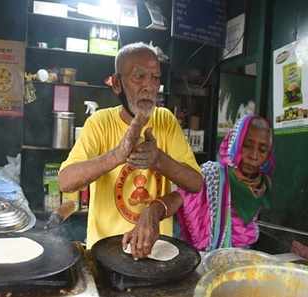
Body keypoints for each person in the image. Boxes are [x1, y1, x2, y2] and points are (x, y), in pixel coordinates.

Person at [58, 42, 202, 258]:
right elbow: (65, 181)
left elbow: (195, 183)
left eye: (155, 78)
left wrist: (158, 159)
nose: (149, 86)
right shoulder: (100, 122)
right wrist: (117, 155)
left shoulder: (165, 121)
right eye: (139, 77)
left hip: (156, 251)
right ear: (116, 84)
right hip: (105, 253)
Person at [176, 114, 275, 251]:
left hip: (244, 257)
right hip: (210, 258)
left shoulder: (263, 184)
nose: (254, 156)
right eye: (246, 146)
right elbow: (181, 195)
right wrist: (159, 208)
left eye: (262, 150)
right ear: (234, 144)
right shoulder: (213, 174)